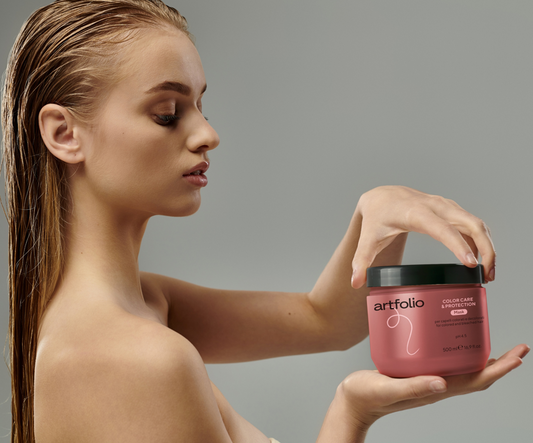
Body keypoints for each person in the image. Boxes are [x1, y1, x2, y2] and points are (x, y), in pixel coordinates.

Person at [1, 1, 528, 442]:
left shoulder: (144, 306)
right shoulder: (134, 355)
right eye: (167, 113)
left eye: (202, 106)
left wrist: (381, 212)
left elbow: (327, 321)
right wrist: (351, 414)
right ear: (64, 134)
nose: (208, 134)